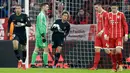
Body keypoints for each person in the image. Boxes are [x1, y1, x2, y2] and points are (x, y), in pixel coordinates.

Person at [104, 2, 128, 71]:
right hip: (111, 36)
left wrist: (126, 34)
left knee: (118, 50)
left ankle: (120, 64)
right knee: (113, 52)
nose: (113, 9)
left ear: (117, 7)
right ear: (111, 8)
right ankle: (114, 67)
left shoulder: (121, 14)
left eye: (115, 8)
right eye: (112, 8)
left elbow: (125, 25)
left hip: (119, 36)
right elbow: (106, 26)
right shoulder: (108, 15)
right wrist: (105, 34)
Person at [8, 4, 31, 70]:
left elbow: (29, 24)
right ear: (15, 9)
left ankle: (23, 63)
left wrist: (23, 24)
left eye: (19, 8)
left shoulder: (24, 16)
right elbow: (9, 23)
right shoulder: (12, 16)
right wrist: (9, 31)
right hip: (16, 33)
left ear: (21, 9)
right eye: (16, 8)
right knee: (15, 45)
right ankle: (19, 60)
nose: (17, 10)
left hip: (23, 34)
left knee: (23, 49)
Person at [89, 2, 111, 70]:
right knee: (97, 50)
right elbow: (98, 23)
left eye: (96, 7)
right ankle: (95, 67)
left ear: (100, 6)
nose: (95, 9)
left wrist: (102, 31)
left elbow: (107, 25)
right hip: (98, 34)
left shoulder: (106, 14)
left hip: (104, 34)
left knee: (107, 50)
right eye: (94, 8)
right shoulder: (97, 13)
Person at [30, 3, 49, 68]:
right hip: (41, 35)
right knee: (46, 49)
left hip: (39, 34)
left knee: (36, 49)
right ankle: (46, 64)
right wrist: (43, 35)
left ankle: (32, 64)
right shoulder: (41, 15)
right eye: (47, 7)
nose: (48, 8)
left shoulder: (42, 15)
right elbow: (40, 26)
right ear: (43, 7)